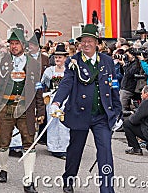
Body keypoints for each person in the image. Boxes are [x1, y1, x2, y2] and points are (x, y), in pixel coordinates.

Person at [51, 24, 122, 193]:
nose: (86, 44)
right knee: (75, 151)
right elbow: (66, 83)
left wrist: (117, 112)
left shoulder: (107, 61)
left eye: (90, 41)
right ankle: (68, 180)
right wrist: (57, 102)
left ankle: (107, 189)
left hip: (102, 116)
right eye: (83, 41)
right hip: (79, 113)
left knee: (105, 152)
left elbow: (113, 87)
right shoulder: (73, 61)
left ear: (97, 43)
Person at [0, 28, 45, 193]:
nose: (14, 46)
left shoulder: (34, 63)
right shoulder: (1, 59)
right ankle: (3, 167)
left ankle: (28, 180)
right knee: (3, 142)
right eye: (12, 43)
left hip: (25, 107)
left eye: (17, 43)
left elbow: (38, 88)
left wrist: (41, 110)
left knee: (29, 142)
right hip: (5, 106)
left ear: (24, 45)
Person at [40, 43, 70, 160]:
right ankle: (53, 147)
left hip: (66, 101)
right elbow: (42, 84)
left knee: (64, 125)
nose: (57, 59)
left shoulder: (69, 71)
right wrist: (44, 94)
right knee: (52, 123)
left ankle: (64, 147)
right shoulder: (49, 71)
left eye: (60, 57)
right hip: (52, 100)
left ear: (65, 58)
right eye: (56, 57)